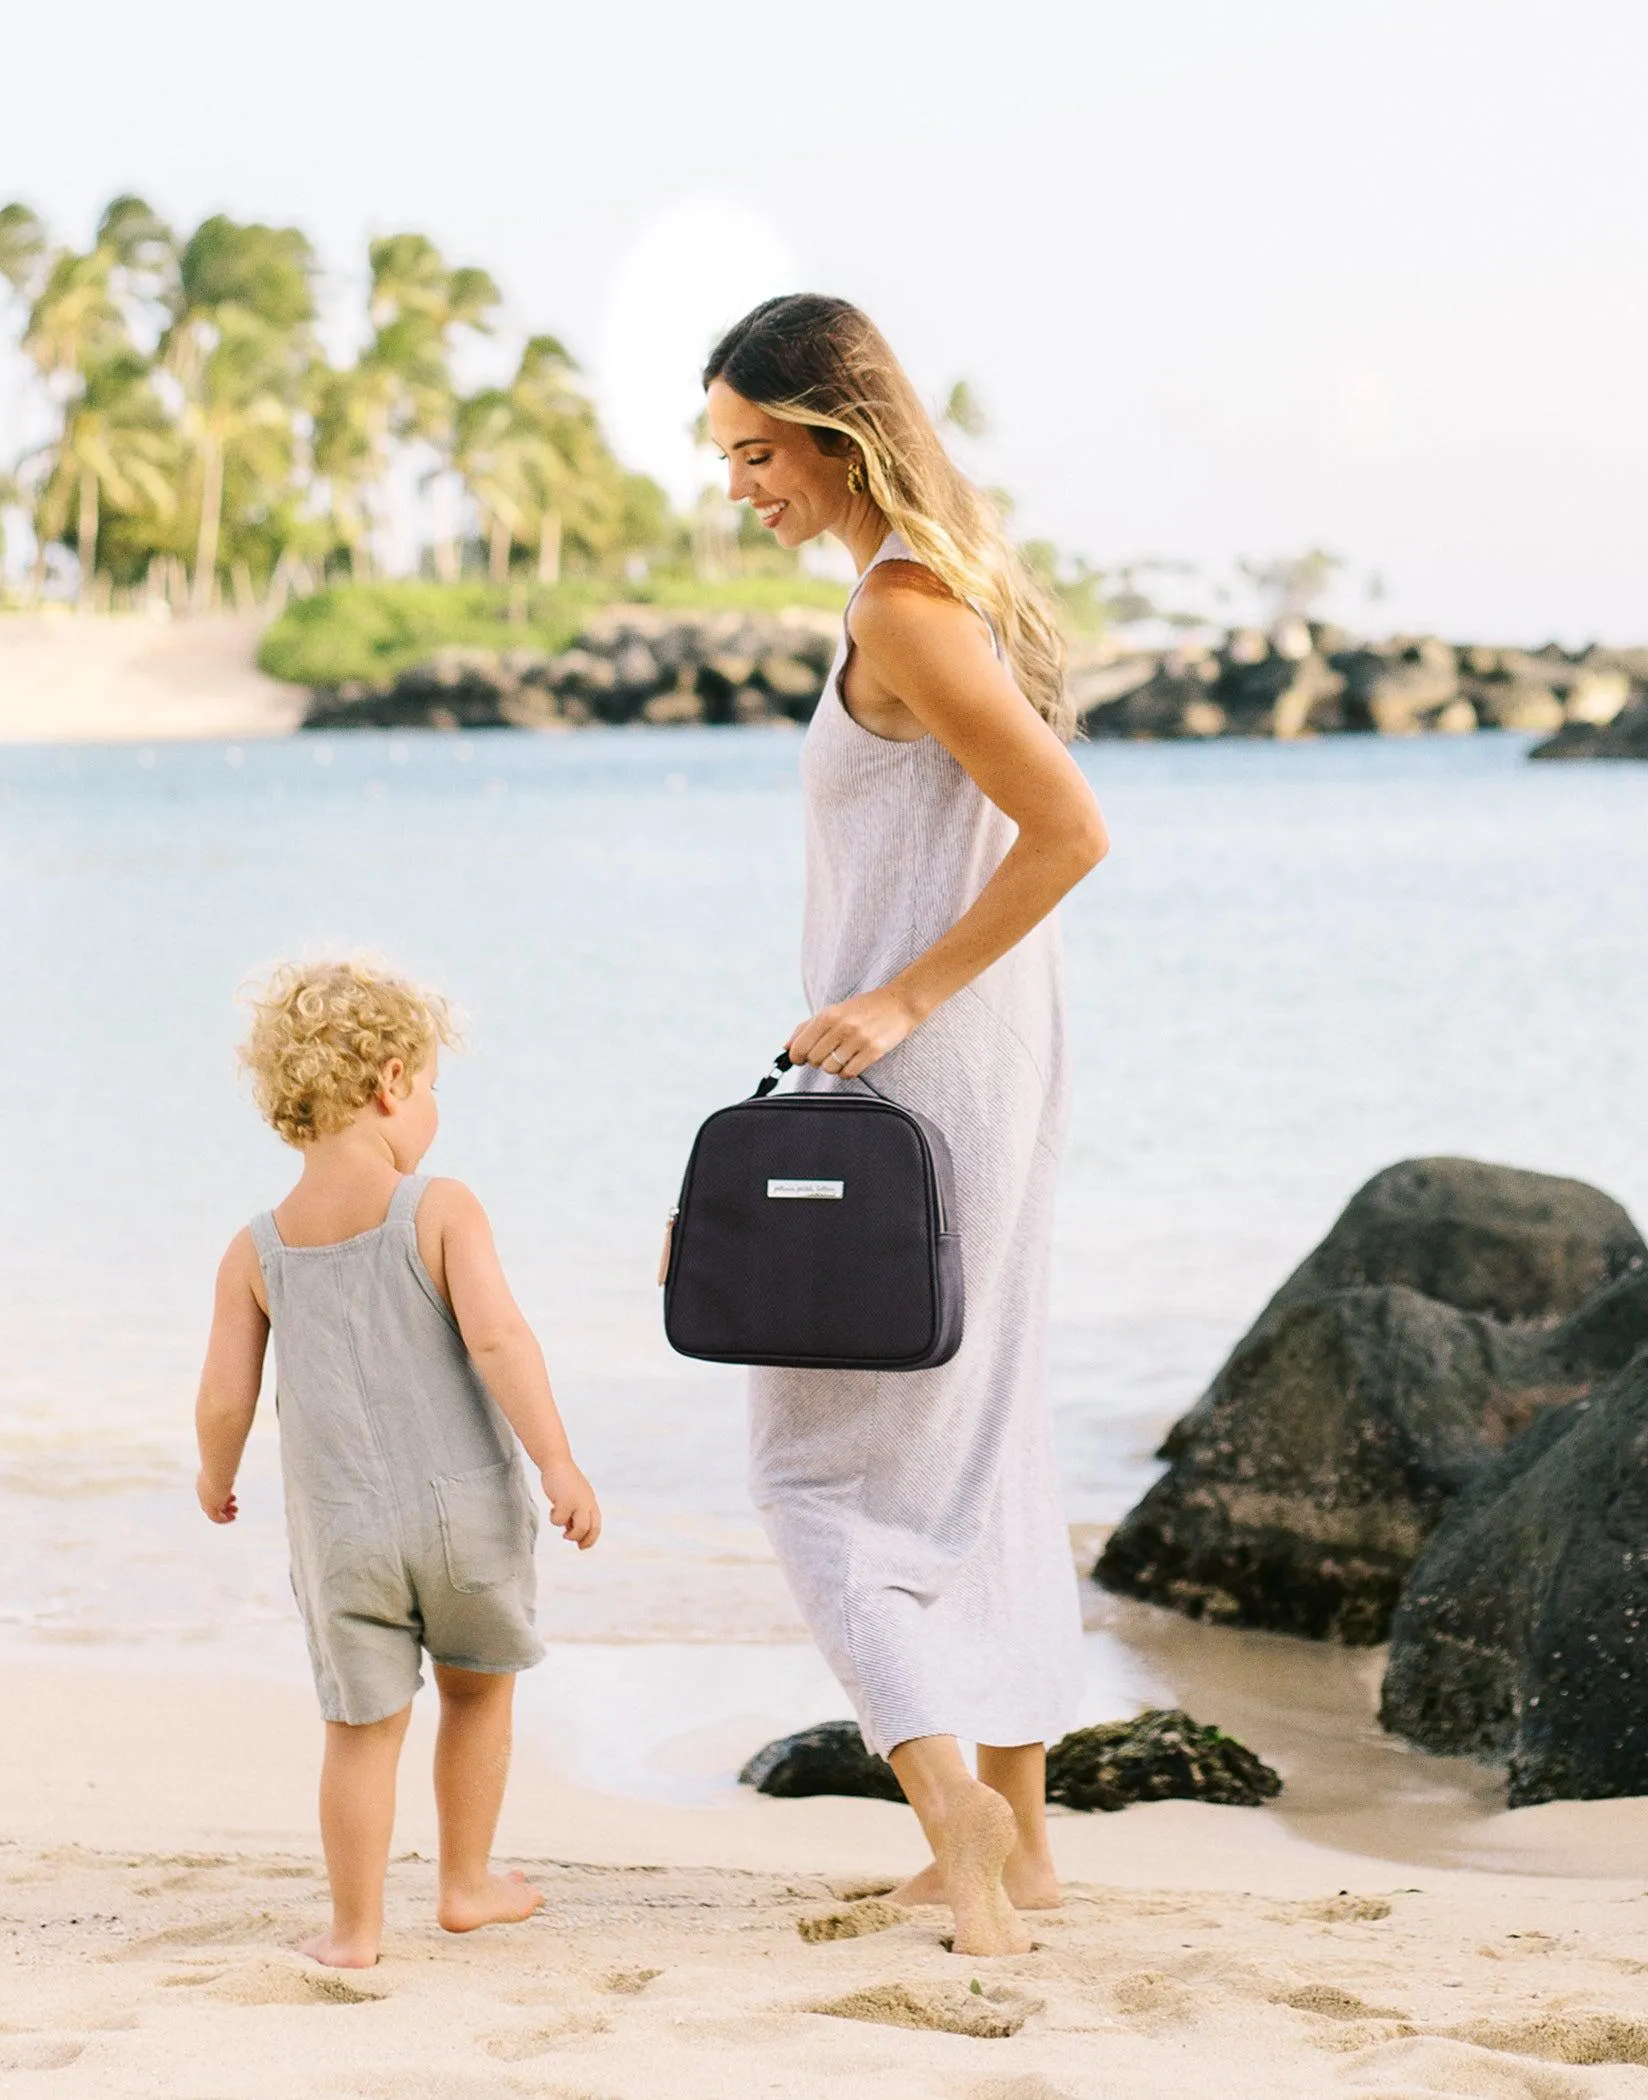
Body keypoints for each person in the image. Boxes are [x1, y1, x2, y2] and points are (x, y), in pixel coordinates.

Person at [703, 295, 1111, 1958]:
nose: (741, 485)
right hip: (989, 1073)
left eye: (754, 451)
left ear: (834, 433)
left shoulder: (903, 607)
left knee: (808, 1468)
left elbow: (1070, 828)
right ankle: (1016, 1842)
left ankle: (941, 1798)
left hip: (925, 1078)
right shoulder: (940, 586)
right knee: (985, 1438)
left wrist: (895, 1002)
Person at [193, 959, 601, 1965]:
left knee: (362, 1729)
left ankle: (356, 1931)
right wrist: (559, 1464)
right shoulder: (441, 1207)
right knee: (475, 1691)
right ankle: (466, 1885)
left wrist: (216, 1477)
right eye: (428, 1087)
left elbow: (224, 1398)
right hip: (464, 1518)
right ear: (389, 1082)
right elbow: (502, 1342)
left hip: (343, 1537)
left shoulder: (256, 1249)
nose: (430, 1111)